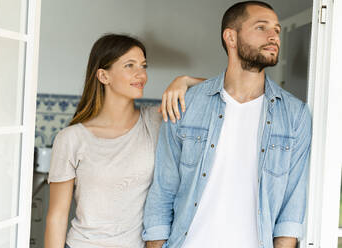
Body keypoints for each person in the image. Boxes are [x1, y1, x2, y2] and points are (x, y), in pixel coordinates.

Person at [143, 1, 312, 248]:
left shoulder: (295, 114)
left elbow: (292, 207)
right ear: (231, 37)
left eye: (276, 29)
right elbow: (163, 189)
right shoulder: (186, 103)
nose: (274, 36)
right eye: (261, 27)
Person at [44, 34, 204, 248]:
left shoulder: (157, 121)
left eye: (144, 66)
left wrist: (185, 80)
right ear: (103, 76)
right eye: (130, 65)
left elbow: (227, 92)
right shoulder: (71, 138)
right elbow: (57, 217)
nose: (142, 75)